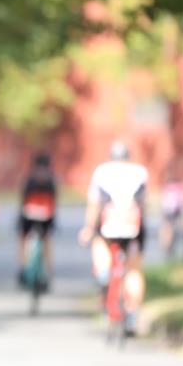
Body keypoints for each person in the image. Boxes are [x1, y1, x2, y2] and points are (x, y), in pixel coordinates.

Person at [78, 140, 148, 336]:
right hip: (133, 226)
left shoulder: (102, 172)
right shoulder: (140, 172)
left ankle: (103, 275)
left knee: (99, 244)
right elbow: (144, 204)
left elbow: (94, 204)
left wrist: (88, 229)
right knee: (134, 270)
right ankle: (133, 312)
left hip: (108, 225)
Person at [17, 152, 57, 289]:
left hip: (28, 214)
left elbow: (23, 200)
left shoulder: (30, 178)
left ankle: (23, 267)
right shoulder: (51, 179)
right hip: (47, 214)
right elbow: (54, 201)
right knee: (46, 239)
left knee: (23, 237)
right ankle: (49, 270)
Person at [159, 162, 183, 259]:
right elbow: (180, 200)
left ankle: (166, 243)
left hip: (169, 209)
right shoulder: (177, 187)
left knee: (168, 227)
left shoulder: (170, 186)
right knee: (170, 227)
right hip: (173, 210)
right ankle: (167, 244)